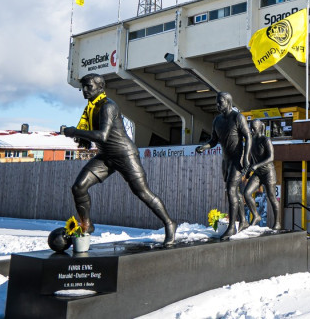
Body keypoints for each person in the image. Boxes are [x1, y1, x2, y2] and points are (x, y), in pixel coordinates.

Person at [63, 74, 177, 247]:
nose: (85, 90)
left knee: (142, 192)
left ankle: (169, 223)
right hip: (105, 156)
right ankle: (87, 224)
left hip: (125, 154)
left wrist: (74, 131)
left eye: (89, 86)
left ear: (100, 87)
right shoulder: (91, 108)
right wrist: (83, 138)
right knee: (78, 187)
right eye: (83, 87)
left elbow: (102, 135)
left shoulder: (108, 106)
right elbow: (95, 136)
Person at [196, 92, 252, 239]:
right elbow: (213, 140)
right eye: (217, 102)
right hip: (225, 160)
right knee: (236, 192)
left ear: (228, 102)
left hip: (237, 159)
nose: (218, 105)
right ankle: (244, 221)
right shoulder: (216, 121)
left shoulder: (237, 117)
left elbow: (248, 136)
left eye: (220, 102)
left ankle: (232, 226)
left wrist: (246, 158)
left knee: (230, 191)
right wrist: (204, 147)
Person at [243, 119, 282, 230]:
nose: (251, 130)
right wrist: (248, 172)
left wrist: (256, 165)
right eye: (250, 127)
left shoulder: (266, 140)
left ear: (260, 128)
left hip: (268, 173)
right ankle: (256, 215)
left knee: (272, 197)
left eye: (254, 128)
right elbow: (252, 158)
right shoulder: (251, 141)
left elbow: (271, 158)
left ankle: (277, 222)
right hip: (257, 173)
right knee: (247, 193)